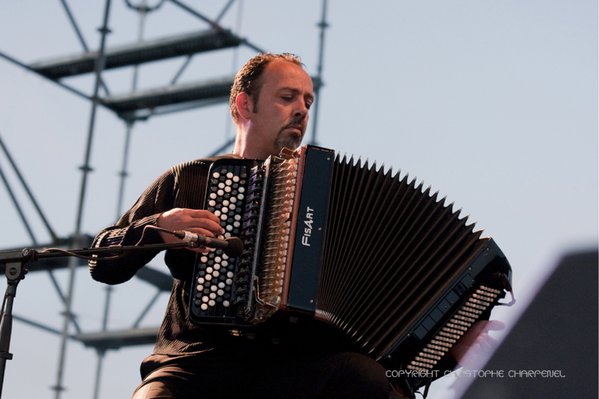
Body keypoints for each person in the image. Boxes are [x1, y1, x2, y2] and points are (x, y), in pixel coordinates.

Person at [89, 53, 488, 399]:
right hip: (199, 364)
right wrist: (156, 226)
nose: (301, 109)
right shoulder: (191, 179)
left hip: (295, 370)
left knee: (366, 378)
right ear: (245, 105)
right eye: (287, 97)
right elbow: (103, 263)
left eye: (307, 101)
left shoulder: (330, 191)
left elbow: (393, 324)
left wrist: (450, 345)